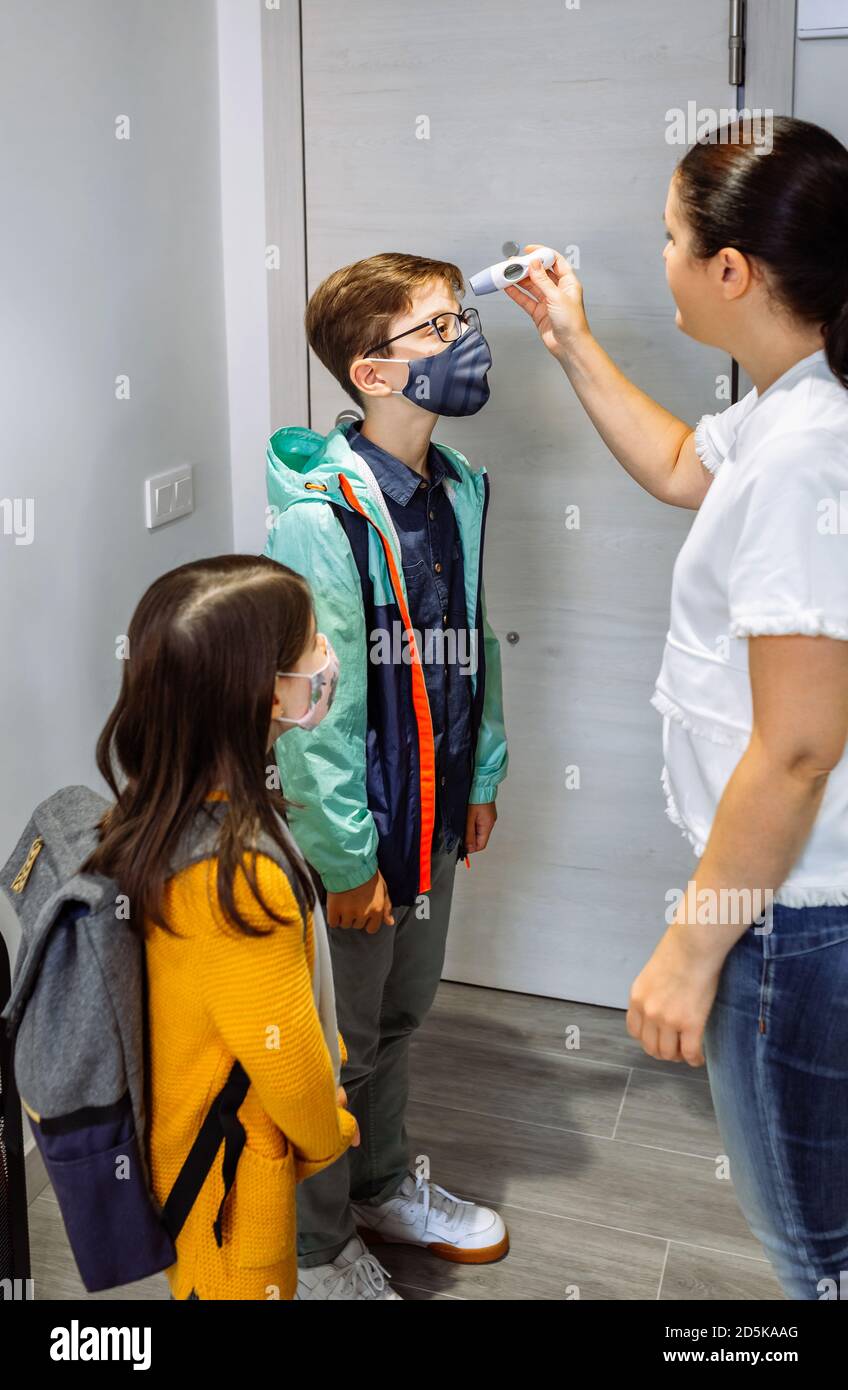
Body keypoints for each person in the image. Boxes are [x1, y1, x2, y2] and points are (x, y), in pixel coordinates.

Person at [505, 117, 848, 1300]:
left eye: (666, 237)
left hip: (798, 915)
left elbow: (799, 748)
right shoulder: (788, 401)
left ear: (731, 271)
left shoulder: (811, 444)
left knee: (815, 1248)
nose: (655, 255)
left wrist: (687, 948)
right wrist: (568, 341)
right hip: (799, 899)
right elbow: (674, 469)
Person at [265, 252, 509, 1299]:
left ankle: (379, 1184)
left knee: (401, 1018)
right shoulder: (320, 518)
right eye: (438, 326)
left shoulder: (453, 485)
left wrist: (481, 771)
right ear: (372, 372)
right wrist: (342, 857)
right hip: (359, 831)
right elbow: (312, 718)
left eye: (463, 316)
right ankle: (317, 1246)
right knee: (334, 1041)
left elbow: (474, 643)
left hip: (434, 814)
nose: (466, 340)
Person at [84, 555, 358, 1300]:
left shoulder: (152, 811)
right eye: (311, 647)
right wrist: (333, 1134)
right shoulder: (240, 880)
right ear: (266, 693)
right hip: (231, 1199)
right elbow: (291, 1070)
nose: (325, 656)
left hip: (182, 1144)